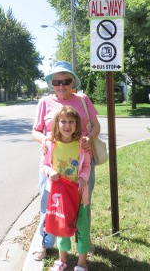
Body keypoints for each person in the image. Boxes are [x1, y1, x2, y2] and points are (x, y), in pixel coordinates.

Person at [32, 61, 100, 261]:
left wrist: (89, 138)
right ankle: (45, 243)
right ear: (51, 83)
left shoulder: (83, 99)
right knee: (49, 205)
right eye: (56, 81)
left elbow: (95, 126)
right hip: (52, 165)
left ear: (73, 82)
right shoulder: (44, 102)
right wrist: (44, 139)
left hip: (81, 163)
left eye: (66, 81)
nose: (61, 85)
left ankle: (83, 243)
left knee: (82, 204)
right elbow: (35, 131)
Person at [42, 106, 91, 271]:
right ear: (57, 123)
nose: (67, 125)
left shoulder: (81, 145)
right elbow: (44, 165)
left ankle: (82, 263)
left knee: (82, 228)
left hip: (78, 195)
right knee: (61, 227)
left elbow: (86, 166)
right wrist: (50, 171)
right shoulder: (50, 144)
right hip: (60, 196)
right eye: (63, 121)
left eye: (71, 121)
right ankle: (62, 260)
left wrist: (83, 177)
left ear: (77, 124)